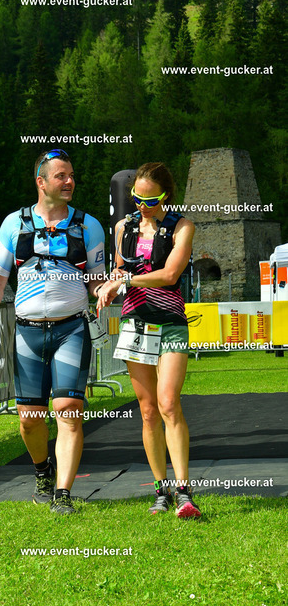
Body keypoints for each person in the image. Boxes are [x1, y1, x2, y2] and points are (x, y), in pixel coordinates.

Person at [0, 149, 106, 515]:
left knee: (68, 408)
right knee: (30, 420)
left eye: (71, 175)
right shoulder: (13, 224)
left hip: (71, 329)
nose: (70, 182)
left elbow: (95, 279)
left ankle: (63, 494)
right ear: (41, 182)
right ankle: (42, 472)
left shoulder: (88, 226)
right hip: (27, 333)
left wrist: (104, 290)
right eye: (61, 176)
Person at [97, 162, 201, 518]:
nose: (142, 206)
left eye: (150, 200)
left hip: (170, 322)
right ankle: (161, 490)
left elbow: (170, 274)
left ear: (166, 196)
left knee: (169, 403)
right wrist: (110, 285)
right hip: (136, 323)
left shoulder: (182, 226)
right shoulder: (122, 227)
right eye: (136, 198)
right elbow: (119, 268)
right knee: (147, 411)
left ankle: (184, 491)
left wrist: (125, 282)